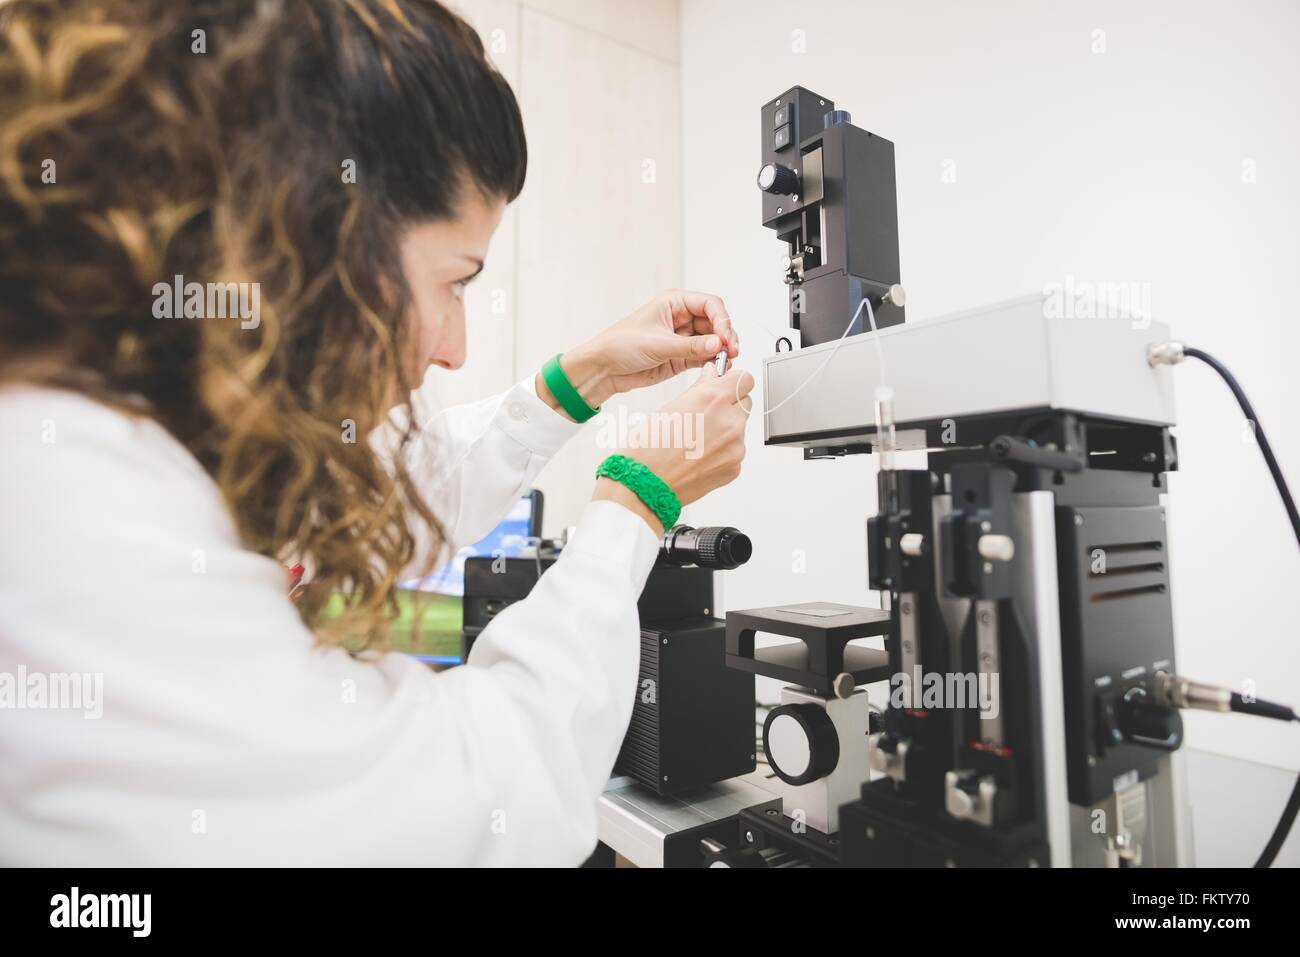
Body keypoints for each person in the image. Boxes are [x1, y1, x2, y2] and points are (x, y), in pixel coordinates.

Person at [0, 0, 752, 864]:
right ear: (317, 237)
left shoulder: (138, 403)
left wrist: (580, 379)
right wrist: (636, 500)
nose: (455, 346)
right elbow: (480, 805)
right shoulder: (78, 511)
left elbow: (371, 494)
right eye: (456, 279)